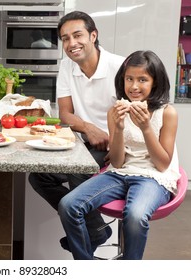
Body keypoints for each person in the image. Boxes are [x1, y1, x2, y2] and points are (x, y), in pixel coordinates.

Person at [59, 50, 180, 260]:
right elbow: (117, 161)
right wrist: (120, 128)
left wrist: (146, 128)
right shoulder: (115, 111)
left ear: (155, 82)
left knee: (135, 216)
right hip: (120, 173)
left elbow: (162, 164)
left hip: (154, 178)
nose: (134, 86)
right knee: (68, 205)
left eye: (143, 79)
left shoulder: (167, 112)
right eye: (129, 79)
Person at [28, 11, 125, 252]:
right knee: (39, 176)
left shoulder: (120, 67)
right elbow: (65, 114)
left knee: (77, 172)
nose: (71, 44)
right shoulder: (66, 66)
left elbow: (133, 116)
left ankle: (87, 235)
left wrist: (114, 143)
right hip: (86, 145)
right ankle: (95, 229)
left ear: (94, 35)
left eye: (78, 35)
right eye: (65, 38)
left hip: (119, 147)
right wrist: (89, 128)